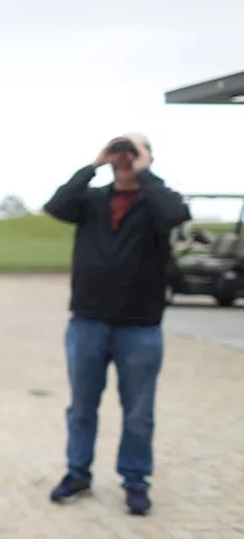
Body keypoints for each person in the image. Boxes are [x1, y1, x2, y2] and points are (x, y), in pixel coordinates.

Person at [42, 134, 190, 516]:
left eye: (133, 153)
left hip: (140, 326)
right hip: (88, 321)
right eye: (120, 153)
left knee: (139, 411)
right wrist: (94, 164)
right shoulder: (92, 201)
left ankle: (136, 481)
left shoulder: (156, 203)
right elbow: (56, 205)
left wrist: (145, 172)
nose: (124, 159)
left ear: (148, 158)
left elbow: (176, 214)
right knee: (81, 407)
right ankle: (77, 473)